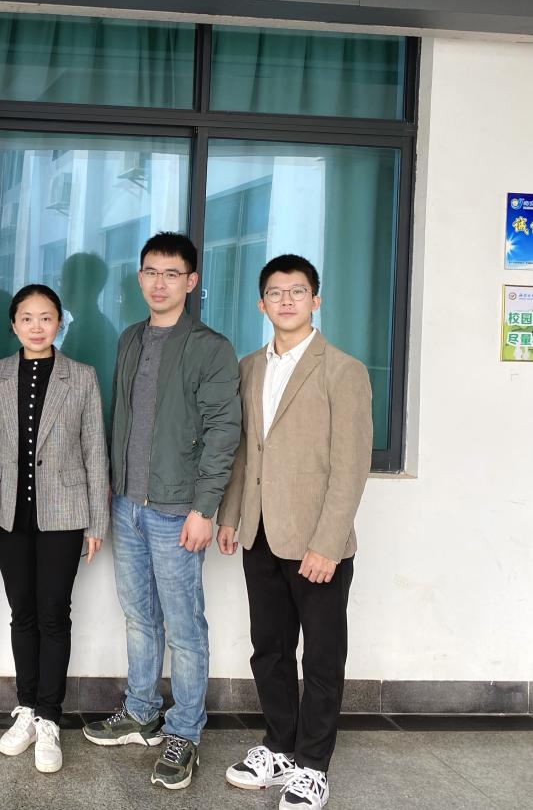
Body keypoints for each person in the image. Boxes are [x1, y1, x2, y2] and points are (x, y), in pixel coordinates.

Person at [83, 232, 240, 791]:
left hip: (178, 511)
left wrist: (205, 508)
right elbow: (120, 418)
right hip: (127, 505)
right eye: (151, 272)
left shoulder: (210, 347)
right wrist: (110, 487)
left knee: (185, 628)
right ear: (139, 277)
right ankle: (141, 710)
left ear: (191, 281)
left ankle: (185, 731)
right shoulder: (130, 338)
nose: (159, 283)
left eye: (172, 274)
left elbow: (224, 431)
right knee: (138, 616)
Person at [217, 255, 372, 810]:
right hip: (259, 533)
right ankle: (280, 745)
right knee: (270, 650)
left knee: (322, 659)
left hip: (316, 542)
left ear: (315, 300)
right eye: (276, 293)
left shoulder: (343, 370)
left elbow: (351, 466)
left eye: (298, 291)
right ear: (261, 303)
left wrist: (328, 543)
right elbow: (244, 452)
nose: (286, 300)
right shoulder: (248, 367)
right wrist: (230, 516)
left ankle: (312, 766)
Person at [0, 284, 109, 774]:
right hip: (8, 513)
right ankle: (26, 708)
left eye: (46, 318)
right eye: (27, 318)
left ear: (59, 323)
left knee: (54, 614)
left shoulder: (82, 376)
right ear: (13, 324)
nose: (36, 327)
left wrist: (97, 520)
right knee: (22, 613)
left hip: (64, 512)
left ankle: (50, 717)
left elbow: (95, 450)